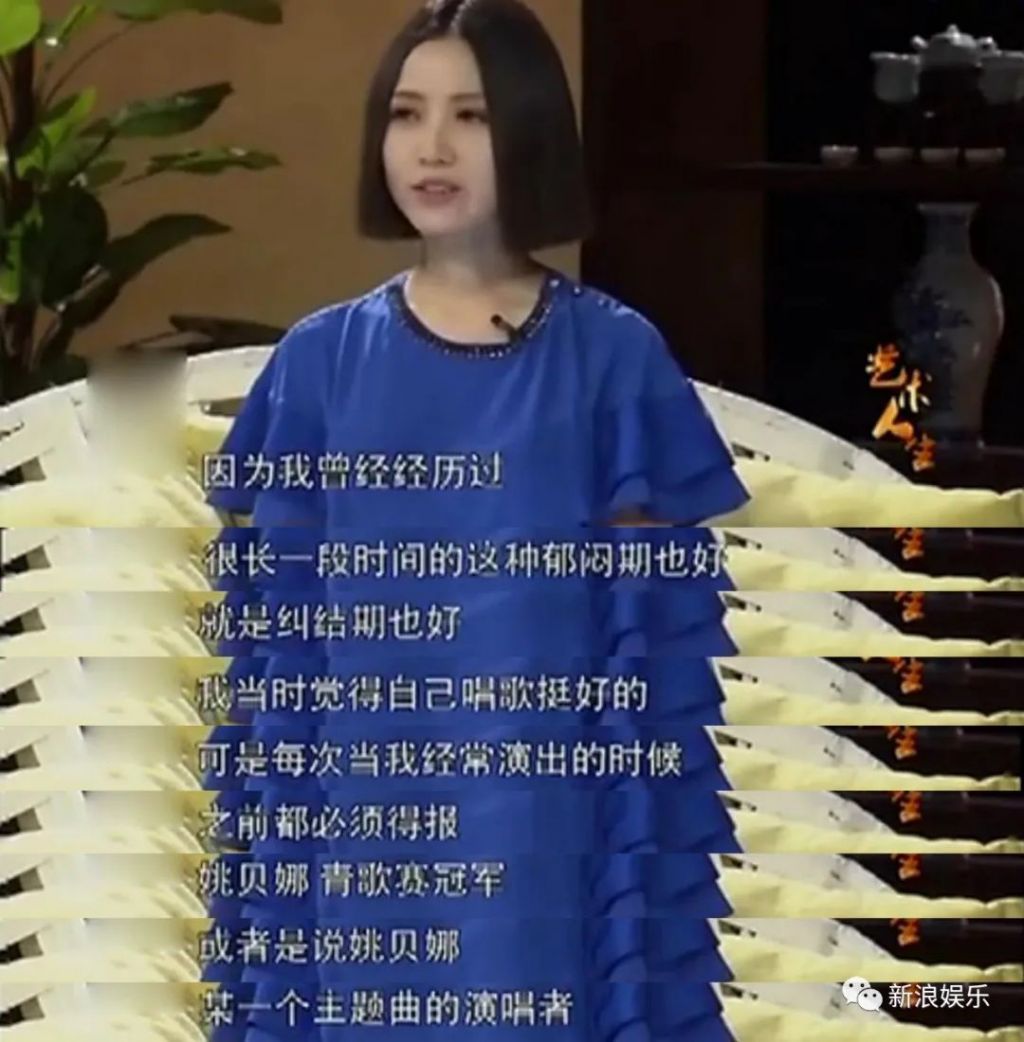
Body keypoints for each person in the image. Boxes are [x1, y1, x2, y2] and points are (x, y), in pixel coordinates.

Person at [205, 2, 750, 1039]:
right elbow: (278, 652)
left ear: (533, 130)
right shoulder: (319, 363)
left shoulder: (614, 357)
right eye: (406, 114)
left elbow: (649, 662)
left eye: (472, 115)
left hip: (541, 816)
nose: (432, 147)